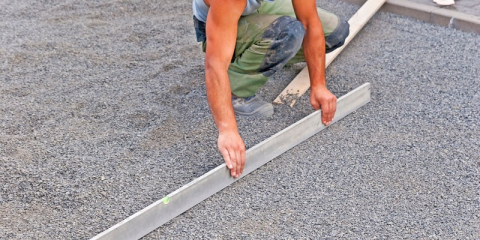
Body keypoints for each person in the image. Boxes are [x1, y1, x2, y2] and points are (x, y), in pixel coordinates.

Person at [192, 0, 349, 178]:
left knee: (335, 32)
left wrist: (319, 85)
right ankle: (235, 87)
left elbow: (309, 22)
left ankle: (266, 52)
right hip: (218, 21)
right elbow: (215, 65)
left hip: (255, 8)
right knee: (289, 31)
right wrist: (227, 130)